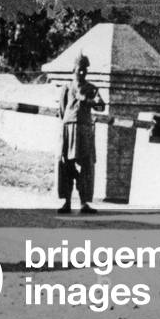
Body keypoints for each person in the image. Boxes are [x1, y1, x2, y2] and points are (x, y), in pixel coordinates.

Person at [57, 52, 105, 214]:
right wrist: (68, 123)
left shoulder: (91, 89)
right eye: (79, 69)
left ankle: (84, 203)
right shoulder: (66, 88)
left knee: (86, 166)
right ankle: (67, 202)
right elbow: (62, 110)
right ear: (73, 69)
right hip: (69, 129)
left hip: (85, 130)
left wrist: (90, 101)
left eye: (85, 70)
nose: (82, 72)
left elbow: (101, 106)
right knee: (67, 165)